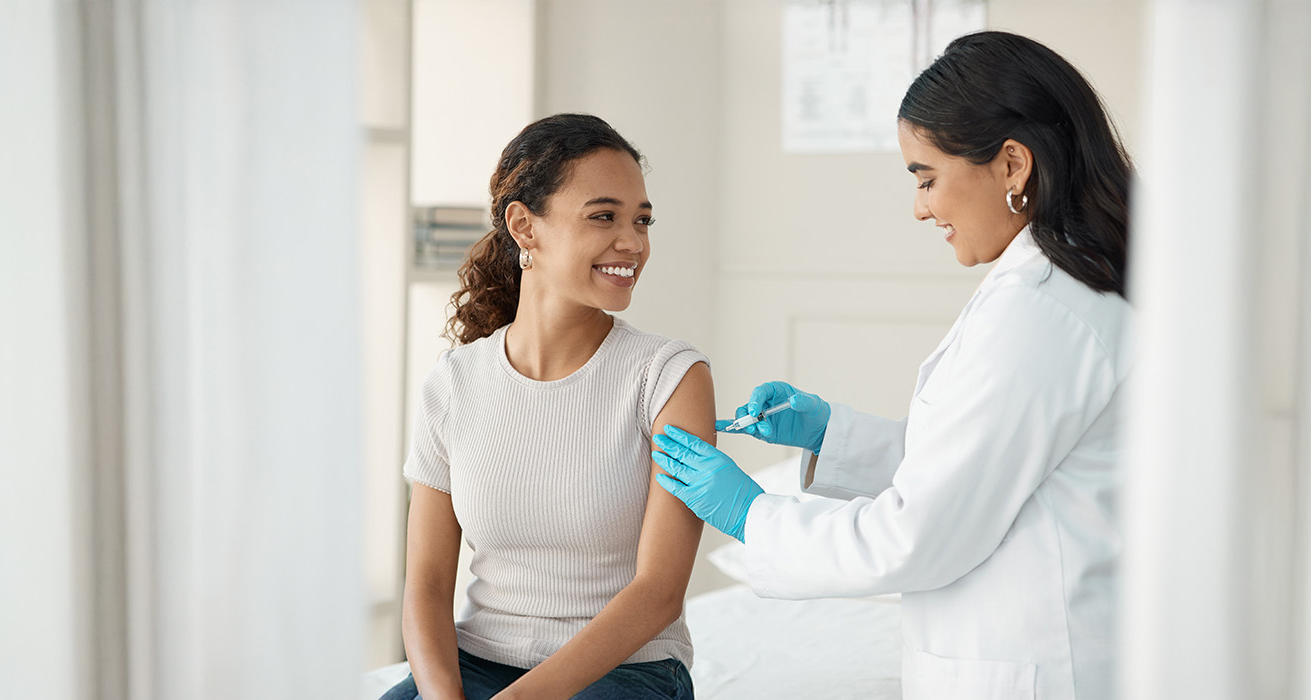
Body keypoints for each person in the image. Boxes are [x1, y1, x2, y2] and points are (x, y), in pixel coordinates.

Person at [650, 32, 1134, 700]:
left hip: (1036, 670)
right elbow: (977, 463)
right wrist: (830, 434)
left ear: (1013, 166)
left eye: (928, 178)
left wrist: (752, 515)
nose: (921, 207)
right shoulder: (1056, 289)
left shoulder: (1043, 311)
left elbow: (918, 534)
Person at [388, 114, 713, 700]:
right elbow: (427, 585)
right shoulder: (455, 383)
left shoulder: (669, 377)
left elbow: (660, 590)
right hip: (477, 663)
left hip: (626, 673)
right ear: (524, 226)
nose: (633, 242)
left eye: (642, 220)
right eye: (603, 216)